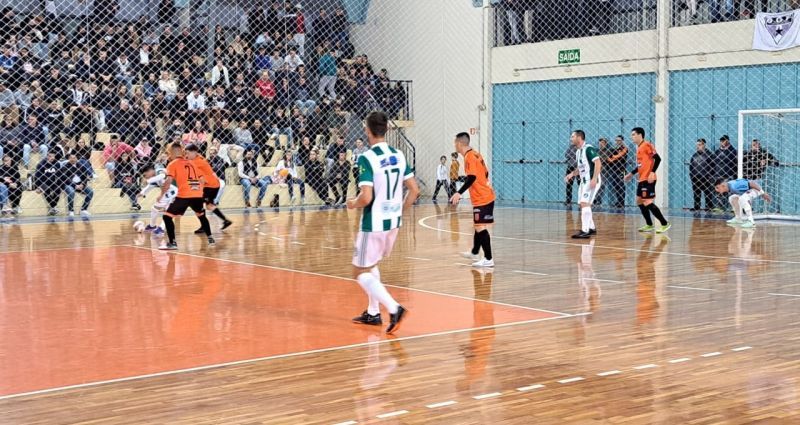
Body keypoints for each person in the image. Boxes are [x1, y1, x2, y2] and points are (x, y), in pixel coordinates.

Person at [347, 111, 419, 334]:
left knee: (359, 271)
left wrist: (353, 204)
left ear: (367, 130)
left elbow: (366, 197)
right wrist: (399, 211)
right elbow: (415, 190)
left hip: (374, 223)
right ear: (386, 130)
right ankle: (373, 312)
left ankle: (393, 307)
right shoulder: (398, 154)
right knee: (372, 263)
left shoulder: (366, 158)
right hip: (393, 223)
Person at [450, 132, 496, 268]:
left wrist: (459, 193)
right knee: (478, 225)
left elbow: (472, 178)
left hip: (483, 197)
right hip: (482, 195)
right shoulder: (475, 154)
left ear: (459, 144)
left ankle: (488, 259)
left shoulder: (470, 157)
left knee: (480, 227)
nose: (454, 146)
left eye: (455, 143)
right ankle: (475, 252)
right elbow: (485, 172)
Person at [159, 143, 215, 250]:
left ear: (171, 152)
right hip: (197, 195)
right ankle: (210, 238)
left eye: (168, 152)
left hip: (184, 195)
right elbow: (203, 180)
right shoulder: (192, 163)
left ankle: (172, 243)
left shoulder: (172, 164)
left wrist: (161, 195)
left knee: (167, 217)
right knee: (201, 216)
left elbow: (168, 181)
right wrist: (198, 191)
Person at [624, 127, 670, 233]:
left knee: (647, 201)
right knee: (639, 201)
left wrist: (652, 172)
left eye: (633, 134)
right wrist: (631, 174)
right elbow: (640, 165)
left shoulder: (647, 145)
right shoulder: (639, 148)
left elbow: (657, 158)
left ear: (640, 135)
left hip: (648, 178)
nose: (632, 137)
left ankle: (664, 223)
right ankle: (649, 224)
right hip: (641, 179)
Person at [564, 130, 601, 239]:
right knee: (583, 204)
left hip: (591, 180)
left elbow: (598, 163)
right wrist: (571, 174)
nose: (571, 138)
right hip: (584, 181)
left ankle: (585, 231)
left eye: (573, 136)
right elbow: (580, 168)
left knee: (585, 203)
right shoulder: (578, 152)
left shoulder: (588, 149)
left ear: (579, 137)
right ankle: (592, 228)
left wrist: (594, 179)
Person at [188, 148, 233, 233]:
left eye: (188, 153)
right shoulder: (200, 158)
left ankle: (204, 226)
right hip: (214, 184)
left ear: (194, 153)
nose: (186, 155)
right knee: (209, 205)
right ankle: (225, 221)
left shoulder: (196, 162)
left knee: (198, 204)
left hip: (209, 185)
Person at [138, 163, 176, 237]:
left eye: (145, 175)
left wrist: (148, 181)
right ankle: (152, 226)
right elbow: (150, 186)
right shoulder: (154, 178)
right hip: (167, 193)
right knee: (155, 208)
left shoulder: (159, 171)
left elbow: (162, 176)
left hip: (175, 191)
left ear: (150, 171)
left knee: (168, 211)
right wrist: (142, 193)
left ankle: (161, 228)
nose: (146, 177)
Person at [62, 153, 93, 217]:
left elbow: (85, 177)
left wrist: (82, 184)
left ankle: (83, 209)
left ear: (77, 159)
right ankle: (71, 211)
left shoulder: (81, 166)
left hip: (80, 184)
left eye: (74, 158)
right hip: (69, 185)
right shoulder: (65, 167)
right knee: (71, 192)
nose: (72, 159)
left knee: (90, 192)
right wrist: (74, 185)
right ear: (68, 159)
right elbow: (65, 179)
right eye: (71, 158)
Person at [34, 151, 63, 215]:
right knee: (46, 190)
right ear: (47, 156)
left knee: (58, 189)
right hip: (43, 183)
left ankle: (52, 207)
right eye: (50, 156)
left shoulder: (57, 164)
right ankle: (54, 207)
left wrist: (61, 185)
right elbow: (37, 176)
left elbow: (60, 175)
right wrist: (38, 187)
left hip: (53, 182)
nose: (52, 158)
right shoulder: (41, 164)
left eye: (53, 156)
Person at [689, 138, 713, 211]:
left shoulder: (709, 155)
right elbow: (691, 166)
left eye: (699, 145)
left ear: (704, 145)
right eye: (697, 145)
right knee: (696, 193)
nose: (697, 146)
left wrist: (710, 176)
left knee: (707, 193)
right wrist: (692, 176)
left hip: (706, 178)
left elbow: (713, 166)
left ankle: (709, 207)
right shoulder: (694, 155)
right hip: (696, 178)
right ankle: (696, 207)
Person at [606, 135, 628, 208]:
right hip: (614, 169)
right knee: (616, 186)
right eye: (616, 140)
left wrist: (612, 158)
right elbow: (608, 157)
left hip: (622, 169)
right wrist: (611, 158)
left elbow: (616, 157)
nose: (617, 142)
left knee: (621, 185)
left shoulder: (624, 148)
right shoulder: (614, 148)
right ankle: (619, 201)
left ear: (622, 141)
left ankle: (622, 202)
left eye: (619, 140)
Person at [564, 140, 578, 205]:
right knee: (569, 184)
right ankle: (568, 200)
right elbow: (566, 154)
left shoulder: (580, 147)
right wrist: (574, 156)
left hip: (578, 167)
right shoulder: (570, 147)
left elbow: (579, 156)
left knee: (580, 183)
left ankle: (581, 200)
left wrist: (572, 156)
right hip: (570, 167)